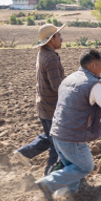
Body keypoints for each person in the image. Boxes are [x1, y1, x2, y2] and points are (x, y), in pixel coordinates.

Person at [35, 49, 101, 201]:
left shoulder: (69, 79)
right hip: (72, 136)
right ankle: (47, 184)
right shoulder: (93, 85)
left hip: (57, 132)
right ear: (92, 65)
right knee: (84, 167)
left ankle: (67, 198)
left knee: (70, 167)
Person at [13, 23, 66, 176]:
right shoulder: (50, 58)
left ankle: (24, 153)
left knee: (50, 137)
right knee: (57, 144)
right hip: (52, 107)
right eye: (59, 36)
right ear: (51, 39)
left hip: (44, 105)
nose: (61, 39)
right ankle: (49, 178)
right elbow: (58, 86)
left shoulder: (43, 53)